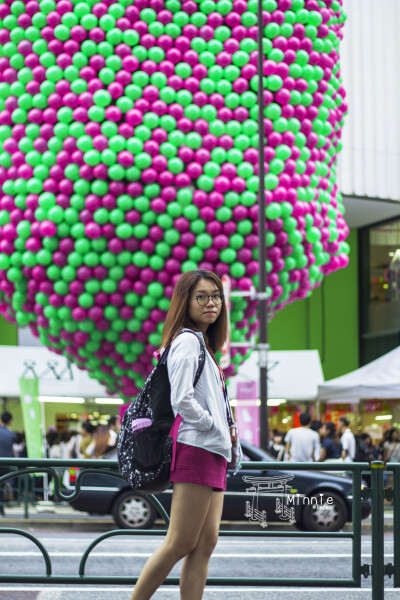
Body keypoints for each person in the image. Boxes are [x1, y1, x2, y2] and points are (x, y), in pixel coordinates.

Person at [129, 269, 241, 600]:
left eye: (216, 296)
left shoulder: (203, 345)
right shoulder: (188, 341)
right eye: (201, 297)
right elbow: (182, 399)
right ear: (185, 301)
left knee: (205, 543)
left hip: (213, 451)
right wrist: (210, 423)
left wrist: (225, 429)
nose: (211, 303)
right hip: (197, 447)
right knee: (180, 541)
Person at [0, 411, 17, 515]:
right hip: (6, 464)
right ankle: (1, 508)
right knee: (2, 485)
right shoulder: (11, 434)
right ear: (10, 421)